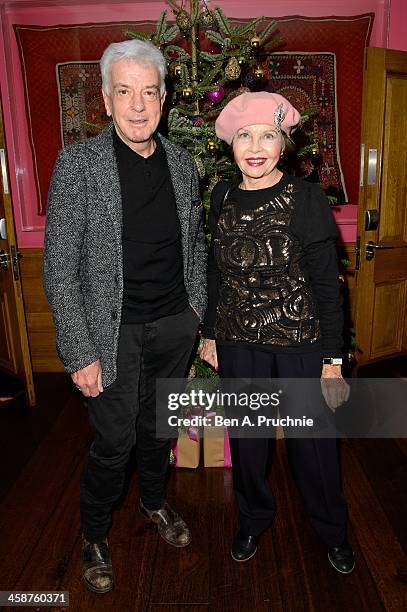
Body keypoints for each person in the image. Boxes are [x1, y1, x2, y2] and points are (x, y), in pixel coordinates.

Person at [43, 39, 207, 593]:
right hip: (108, 336)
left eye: (149, 91)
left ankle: (155, 504)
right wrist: (79, 350)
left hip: (173, 327)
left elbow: (196, 247)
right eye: (124, 92)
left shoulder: (183, 166)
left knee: (158, 432)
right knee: (114, 443)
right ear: (107, 102)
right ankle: (93, 532)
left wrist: (196, 315)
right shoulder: (79, 165)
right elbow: (59, 267)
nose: (138, 105)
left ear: (164, 97)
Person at [200, 91, 354, 573]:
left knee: (314, 448)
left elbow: (329, 288)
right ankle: (252, 520)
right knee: (249, 446)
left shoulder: (306, 197)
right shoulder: (222, 195)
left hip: (301, 343)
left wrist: (333, 359)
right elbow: (215, 272)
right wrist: (208, 334)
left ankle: (331, 531)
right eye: (244, 135)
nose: (255, 145)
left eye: (268, 134)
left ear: (284, 144)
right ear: (231, 144)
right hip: (238, 340)